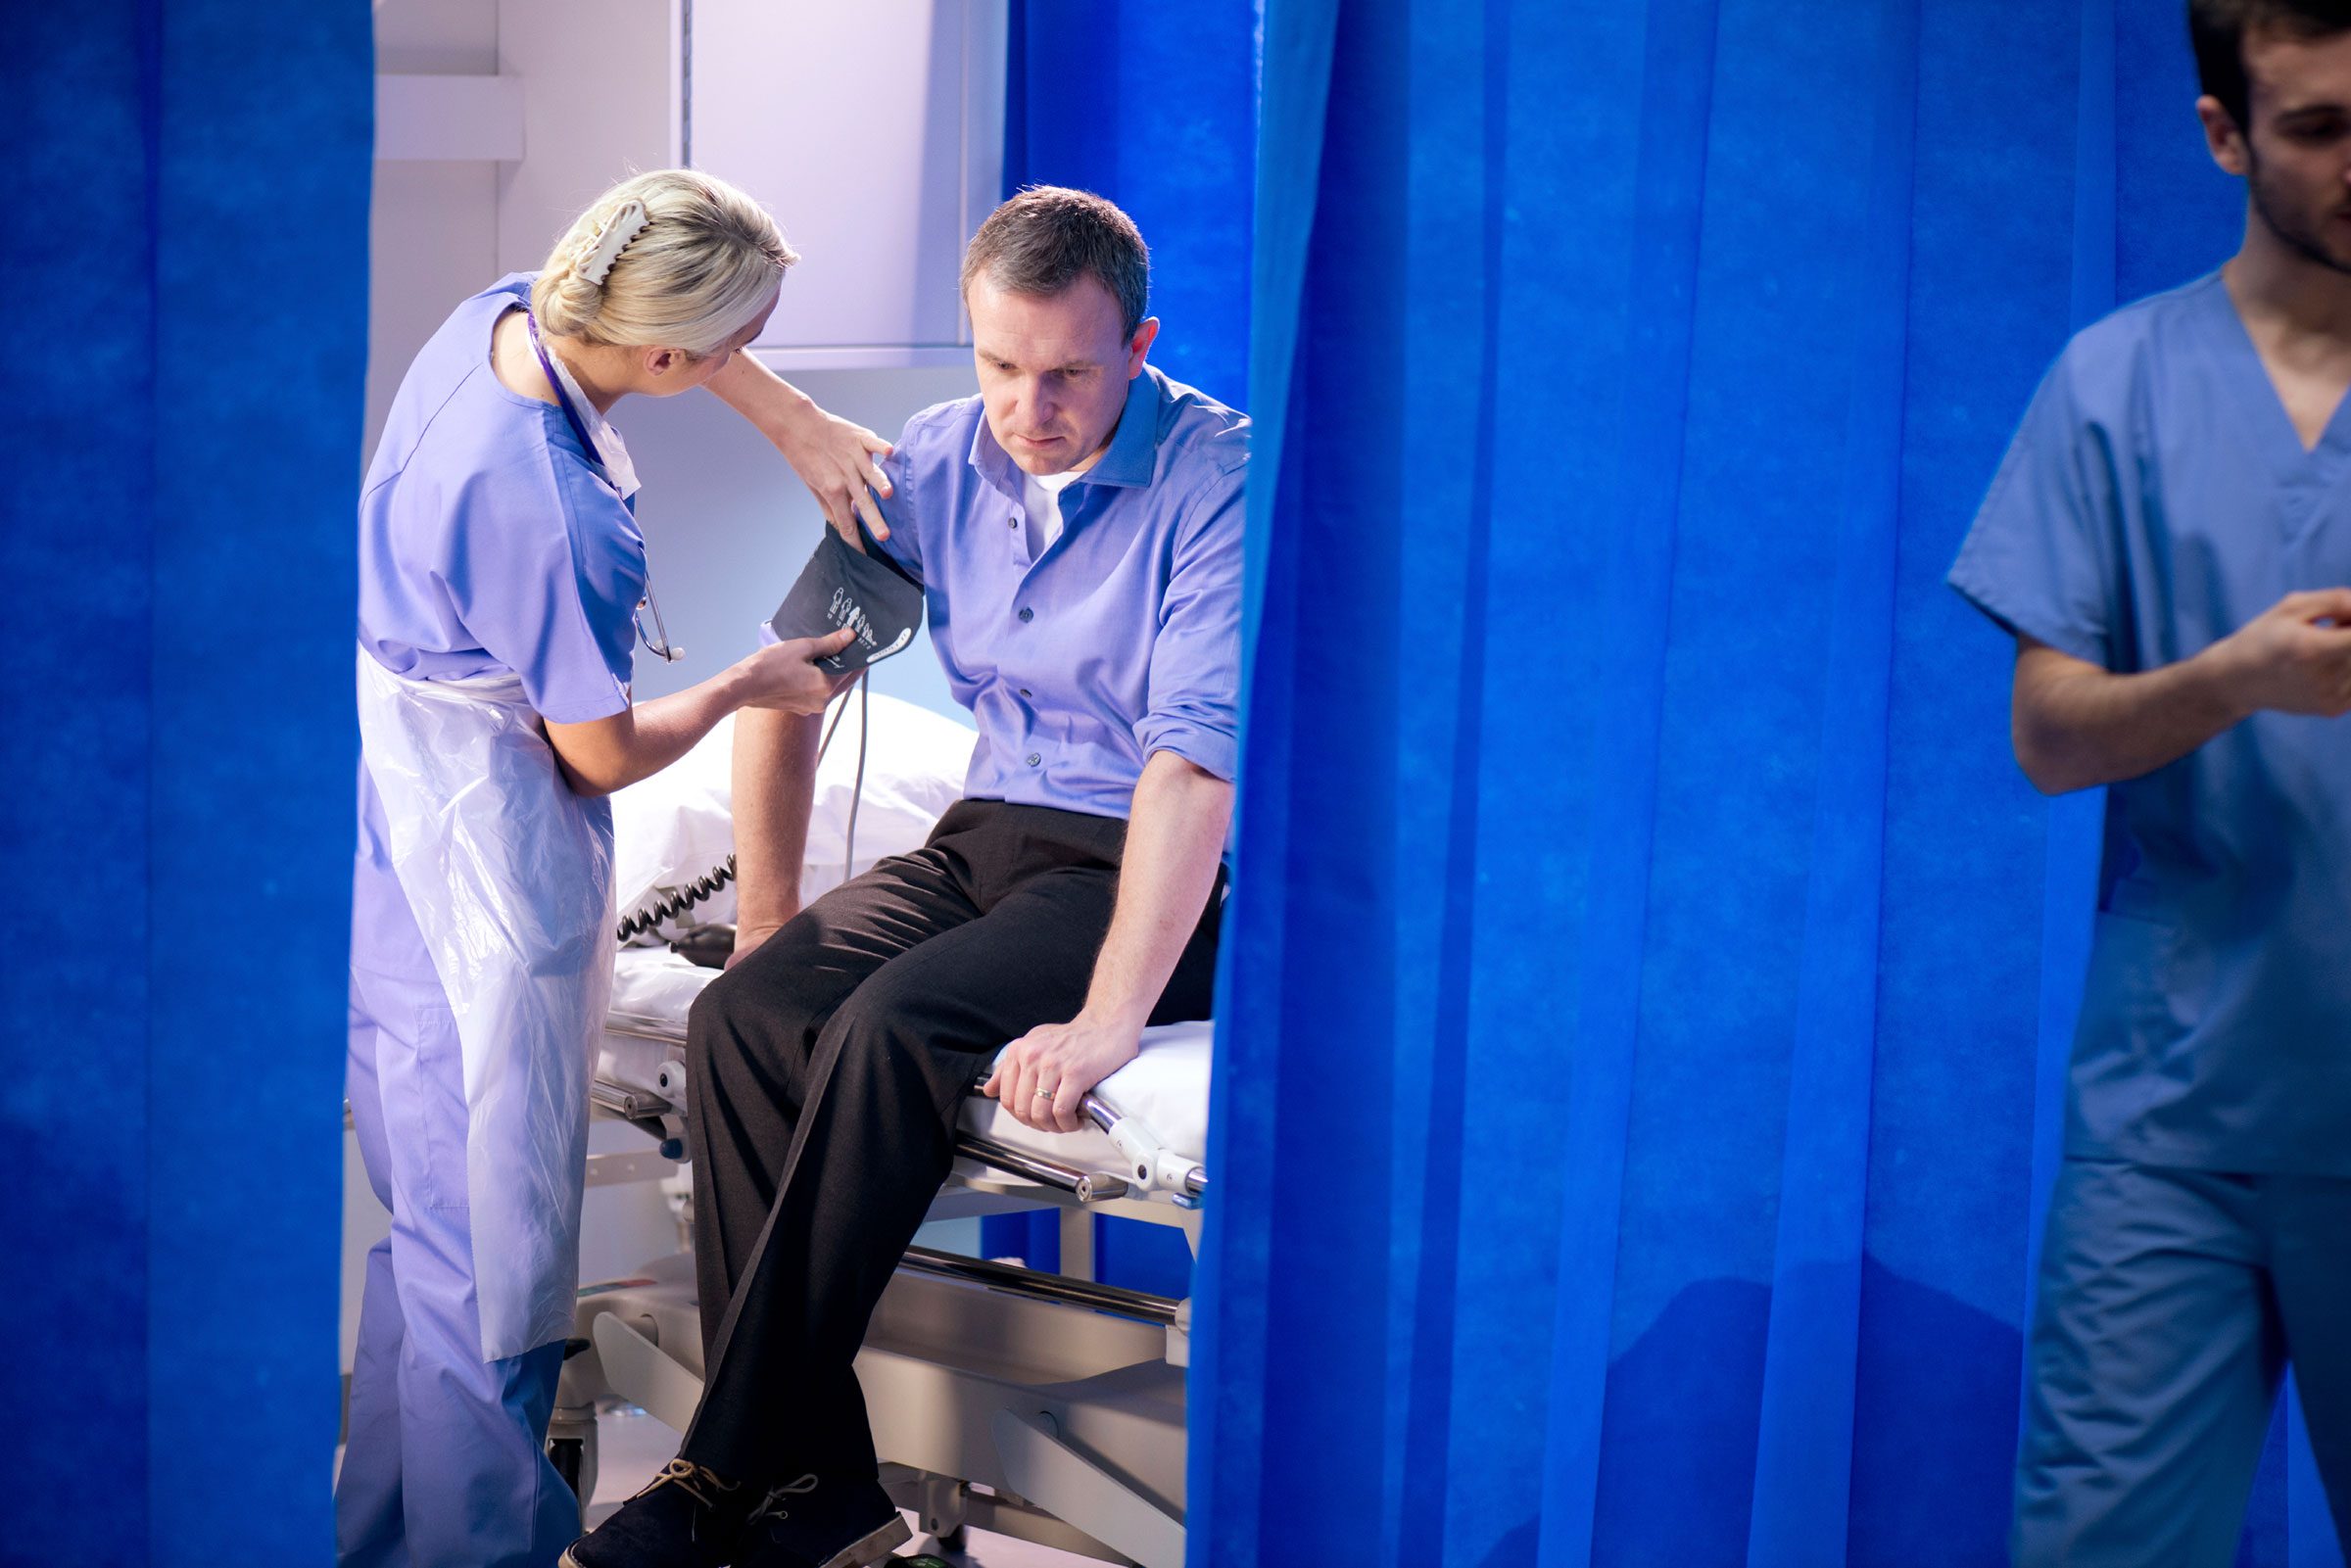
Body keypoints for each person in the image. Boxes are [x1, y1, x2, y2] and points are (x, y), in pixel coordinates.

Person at [563, 187, 1245, 1568]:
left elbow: (1192, 772)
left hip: (1146, 871)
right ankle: (828, 1488)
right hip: (987, 835)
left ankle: (718, 1471)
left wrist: (1112, 1018)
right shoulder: (939, 461)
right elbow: (790, 684)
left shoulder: (1218, 478)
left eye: (1066, 373)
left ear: (1139, 344)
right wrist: (762, 926)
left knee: (885, 1032)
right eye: (1000, 365)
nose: (1029, 407)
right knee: (744, 1016)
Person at [342, 167, 877, 1568]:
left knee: (430, 1253)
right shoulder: (554, 506)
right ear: (661, 358)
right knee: (498, 1278)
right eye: (735, 344)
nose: (745, 364)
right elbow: (594, 753)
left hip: (399, 844)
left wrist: (795, 419)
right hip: (488, 885)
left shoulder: (492, 323)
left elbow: (657, 276)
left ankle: (393, 1548)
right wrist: (750, 687)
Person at [1948, 3, 2351, 1560]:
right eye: (2316, 128)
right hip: (2176, 1118)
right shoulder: (2115, 384)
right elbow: (2050, 734)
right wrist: (2234, 679)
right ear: (2222, 133)